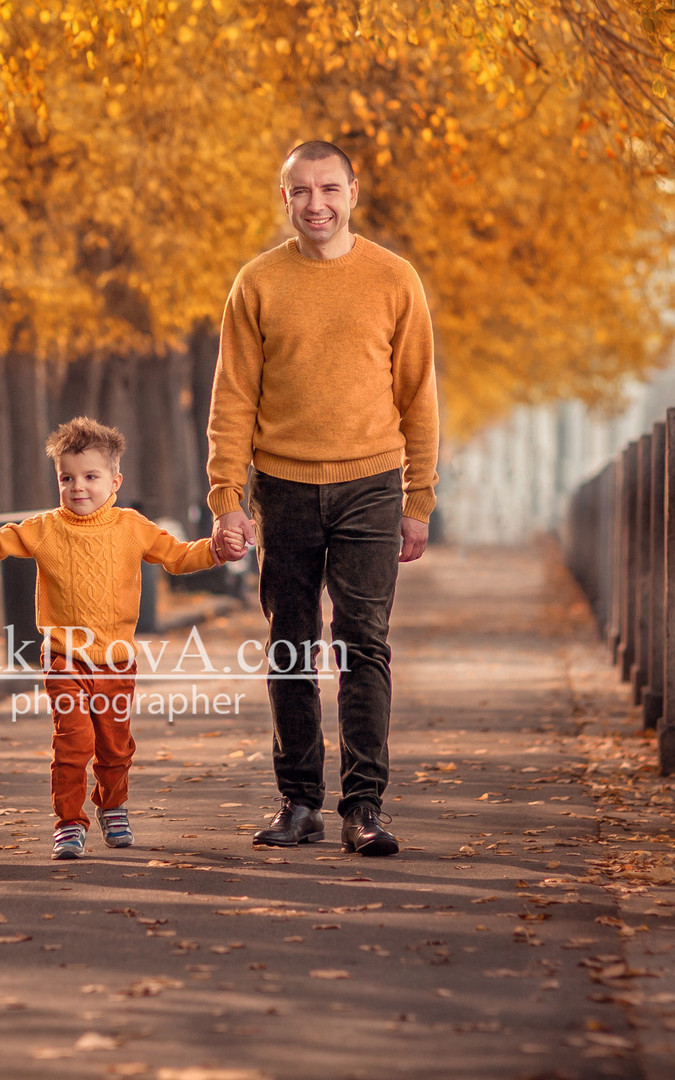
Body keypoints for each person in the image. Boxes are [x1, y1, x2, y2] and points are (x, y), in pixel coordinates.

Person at [206, 139, 439, 857]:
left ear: (352, 192)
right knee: (290, 643)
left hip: (371, 483)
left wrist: (418, 496)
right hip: (284, 486)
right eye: (302, 191)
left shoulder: (395, 279)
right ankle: (299, 799)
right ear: (286, 198)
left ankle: (363, 806)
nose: (317, 204)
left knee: (363, 643)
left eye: (329, 189)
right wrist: (227, 496)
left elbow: (418, 393)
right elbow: (233, 396)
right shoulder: (257, 282)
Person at [0, 417, 246, 859]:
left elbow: (179, 557)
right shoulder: (45, 528)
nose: (77, 487)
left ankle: (113, 805)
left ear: (115, 481)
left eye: (90, 476)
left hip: (117, 660)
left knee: (115, 746)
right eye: (66, 478)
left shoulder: (132, 526)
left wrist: (217, 549)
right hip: (64, 658)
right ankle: (69, 821)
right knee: (73, 743)